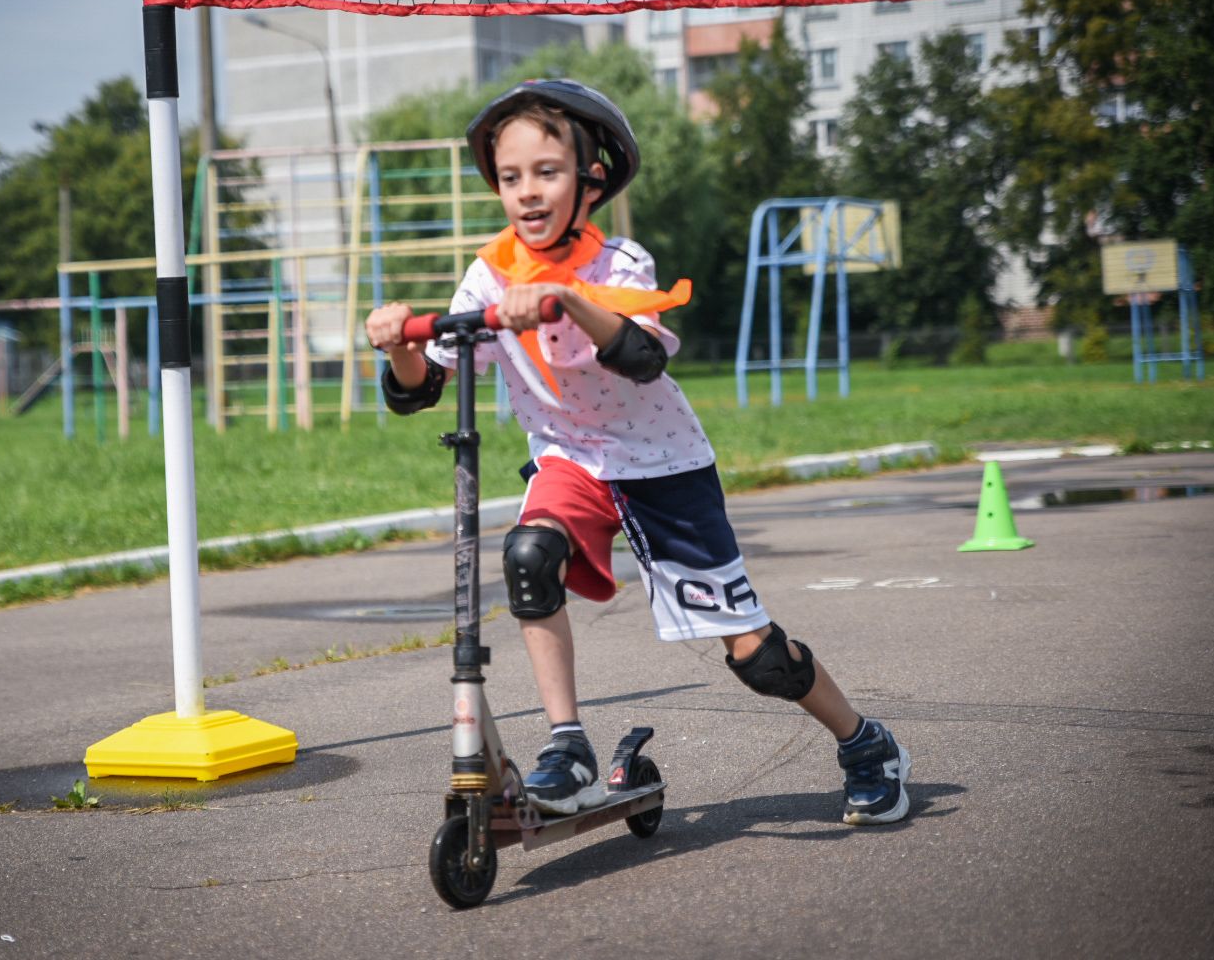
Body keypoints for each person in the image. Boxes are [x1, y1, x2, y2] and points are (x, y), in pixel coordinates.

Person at [364, 79, 911, 826]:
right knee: (529, 557)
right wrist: (400, 344)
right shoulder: (489, 273)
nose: (527, 192)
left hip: (661, 465)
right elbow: (421, 387)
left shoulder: (617, 261)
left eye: (547, 173)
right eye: (511, 177)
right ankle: (569, 747)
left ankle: (864, 743)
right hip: (573, 461)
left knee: (759, 658)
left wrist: (563, 298)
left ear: (590, 180)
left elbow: (639, 356)